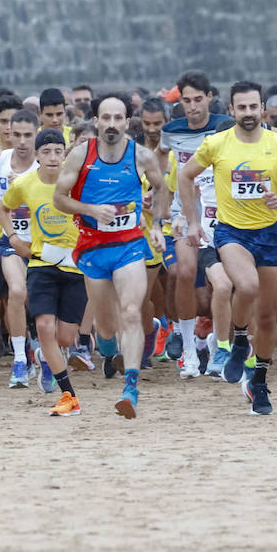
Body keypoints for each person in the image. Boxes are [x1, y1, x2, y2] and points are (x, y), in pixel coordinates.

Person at [179, 80, 277, 416]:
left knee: (268, 318)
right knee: (246, 285)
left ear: (263, 109)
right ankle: (236, 340)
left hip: (270, 234)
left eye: (253, 107)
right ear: (231, 110)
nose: (248, 113)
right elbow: (185, 176)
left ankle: (258, 381)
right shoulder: (216, 143)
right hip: (232, 232)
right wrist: (192, 222)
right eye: (241, 107)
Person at [54, 93, 168, 418]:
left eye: (119, 118)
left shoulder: (142, 156)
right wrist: (90, 209)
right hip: (92, 246)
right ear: (96, 121)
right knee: (105, 327)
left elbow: (161, 188)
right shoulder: (80, 155)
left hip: (129, 244)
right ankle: (108, 351)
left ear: (127, 122)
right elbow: (59, 198)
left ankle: (130, 388)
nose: (113, 124)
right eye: (106, 118)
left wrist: (157, 224)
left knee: (131, 312)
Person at [0, 129, 87, 416]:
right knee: (44, 327)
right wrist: (13, 239)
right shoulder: (24, 184)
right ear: (36, 155)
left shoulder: (77, 183)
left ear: (65, 153)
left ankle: (43, 355)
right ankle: (68, 396)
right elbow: (3, 209)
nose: (52, 157)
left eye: (58, 151)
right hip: (41, 265)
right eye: (46, 151)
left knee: (64, 338)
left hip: (75, 267)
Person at [160, 70, 233, 378]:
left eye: (197, 99)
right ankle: (188, 351)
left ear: (210, 98)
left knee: (229, 284)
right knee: (185, 271)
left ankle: (222, 342)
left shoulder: (224, 127)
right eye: (186, 101)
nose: (192, 106)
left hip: (223, 212)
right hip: (186, 212)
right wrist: (163, 205)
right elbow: (162, 163)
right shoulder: (171, 130)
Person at [0, 109, 39, 388]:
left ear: (36, 135)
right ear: (8, 133)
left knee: (39, 303)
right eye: (17, 135)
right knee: (16, 291)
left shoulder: (47, 163)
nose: (23, 141)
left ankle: (45, 353)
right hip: (11, 238)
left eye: (28, 135)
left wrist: (28, 186)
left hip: (43, 243)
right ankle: (18, 360)